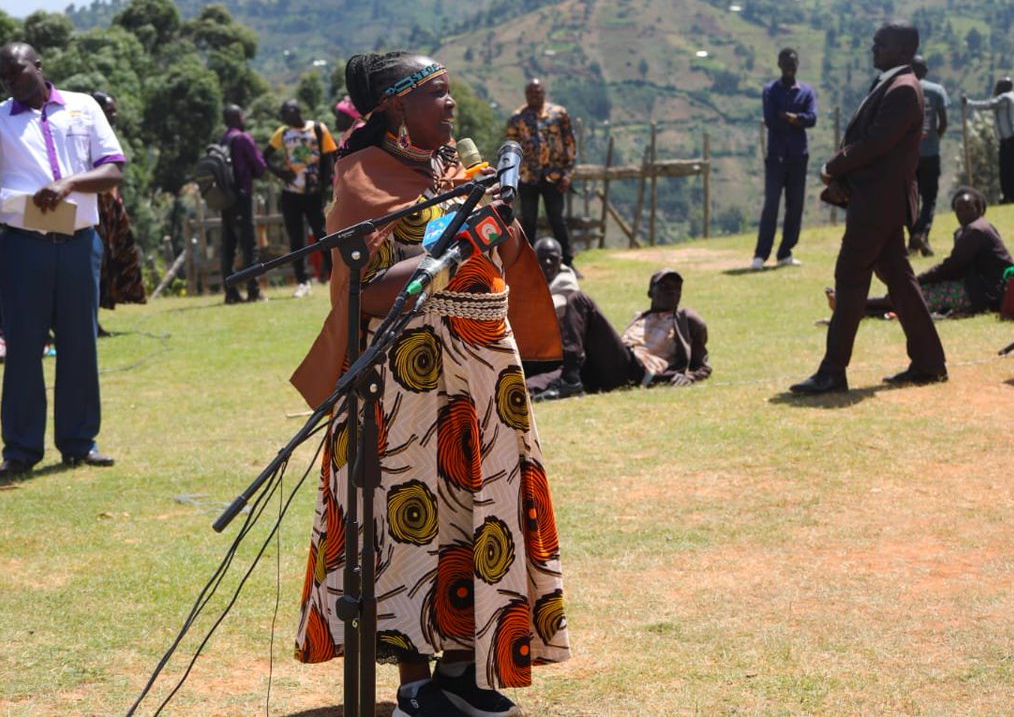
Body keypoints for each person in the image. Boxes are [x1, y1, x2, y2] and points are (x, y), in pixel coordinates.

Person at [290, 52, 569, 717]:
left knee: (483, 513)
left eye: (449, 94)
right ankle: (416, 682)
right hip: (411, 382)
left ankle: (465, 670)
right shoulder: (361, 178)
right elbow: (363, 291)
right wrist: (445, 253)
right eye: (437, 94)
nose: (451, 105)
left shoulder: (455, 170)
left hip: (486, 378)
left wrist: (496, 222)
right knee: (417, 519)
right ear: (394, 107)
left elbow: (496, 256)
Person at [0, 41, 123, 474]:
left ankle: (79, 442)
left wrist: (69, 184)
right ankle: (20, 451)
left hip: (78, 243)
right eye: (2, 77)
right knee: (22, 349)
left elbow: (112, 169)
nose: (10, 82)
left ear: (38, 66)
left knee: (79, 345)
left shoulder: (83, 106)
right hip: (24, 246)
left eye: (16, 72)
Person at [791, 21, 947, 395]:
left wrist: (834, 166)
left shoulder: (903, 89)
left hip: (879, 203)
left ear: (902, 50)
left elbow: (877, 143)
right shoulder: (894, 84)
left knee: (850, 279)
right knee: (900, 281)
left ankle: (833, 370)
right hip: (882, 202)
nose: (873, 48)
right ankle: (929, 361)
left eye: (881, 43)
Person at [528, 243, 711, 401]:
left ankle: (570, 381)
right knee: (554, 374)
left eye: (676, 288)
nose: (670, 291)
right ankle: (525, 390)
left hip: (633, 370)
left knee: (579, 299)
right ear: (650, 293)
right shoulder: (642, 317)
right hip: (611, 366)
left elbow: (703, 364)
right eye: (663, 286)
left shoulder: (683, 319)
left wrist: (691, 377)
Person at [836, 186, 1014, 319]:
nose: (963, 213)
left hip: (986, 294)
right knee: (910, 296)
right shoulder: (971, 230)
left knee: (914, 298)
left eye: (969, 208)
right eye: (959, 209)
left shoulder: (976, 230)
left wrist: (918, 280)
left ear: (980, 209)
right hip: (976, 288)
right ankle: (854, 306)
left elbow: (951, 267)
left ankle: (850, 306)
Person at [752, 48, 817, 269]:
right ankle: (761, 255)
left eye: (793, 63)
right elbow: (771, 120)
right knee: (771, 205)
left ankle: (785, 252)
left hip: (799, 156)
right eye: (786, 63)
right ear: (779, 64)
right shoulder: (770, 90)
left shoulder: (806, 91)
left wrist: (790, 116)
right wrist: (797, 119)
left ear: (797, 64)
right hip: (776, 156)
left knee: (795, 205)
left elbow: (812, 119)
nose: (790, 67)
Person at [265, 98, 337, 297]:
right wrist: (280, 173)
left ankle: (334, 275)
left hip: (313, 193)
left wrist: (324, 189)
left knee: (322, 234)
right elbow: (265, 156)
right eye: (284, 114)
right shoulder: (284, 133)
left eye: (289, 113)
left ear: (298, 112)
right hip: (291, 193)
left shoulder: (318, 129)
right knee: (296, 238)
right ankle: (302, 281)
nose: (286, 117)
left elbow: (328, 159)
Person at [506, 79, 579, 273]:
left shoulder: (559, 114)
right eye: (531, 92)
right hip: (527, 178)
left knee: (557, 219)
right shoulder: (517, 118)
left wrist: (567, 174)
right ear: (526, 94)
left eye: (538, 92)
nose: (534, 96)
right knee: (528, 221)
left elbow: (570, 143)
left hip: (553, 177)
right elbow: (511, 150)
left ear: (544, 93)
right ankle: (528, 264)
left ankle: (567, 262)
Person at [90, 91, 146, 315]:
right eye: (110, 110)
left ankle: (100, 311)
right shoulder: (86, 136)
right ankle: (90, 319)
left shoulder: (106, 137)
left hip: (110, 207)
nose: (115, 115)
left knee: (113, 260)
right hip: (94, 207)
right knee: (96, 263)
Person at [219, 104, 268, 304]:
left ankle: (230, 292)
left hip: (225, 198)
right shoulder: (243, 138)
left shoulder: (222, 139)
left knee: (228, 245)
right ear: (239, 117)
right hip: (242, 196)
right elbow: (260, 167)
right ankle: (253, 290)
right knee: (249, 245)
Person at [908, 55, 948, 257]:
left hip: (908, 155)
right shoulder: (936, 90)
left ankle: (914, 239)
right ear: (925, 70)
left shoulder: (903, 89)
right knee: (929, 198)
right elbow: (943, 122)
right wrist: (934, 139)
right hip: (930, 153)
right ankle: (921, 235)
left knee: (910, 197)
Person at [964, 77, 1014, 204]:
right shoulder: (1011, 96)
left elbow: (989, 105)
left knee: (1010, 169)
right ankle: (1013, 196)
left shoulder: (1005, 98)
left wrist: (968, 103)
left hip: (1012, 139)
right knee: (1009, 169)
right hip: (1010, 139)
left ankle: (1012, 196)